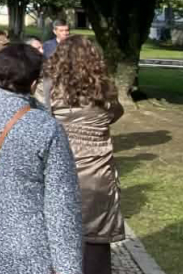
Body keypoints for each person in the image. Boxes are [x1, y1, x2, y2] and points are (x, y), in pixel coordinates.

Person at [0, 44, 82, 274]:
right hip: (31, 252)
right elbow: (62, 206)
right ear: (34, 83)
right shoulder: (45, 128)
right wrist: (69, 268)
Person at [38, 36, 126, 274]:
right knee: (96, 241)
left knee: (58, 236)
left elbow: (38, 120)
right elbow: (115, 113)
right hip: (98, 172)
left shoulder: (47, 88)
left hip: (60, 168)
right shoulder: (105, 89)